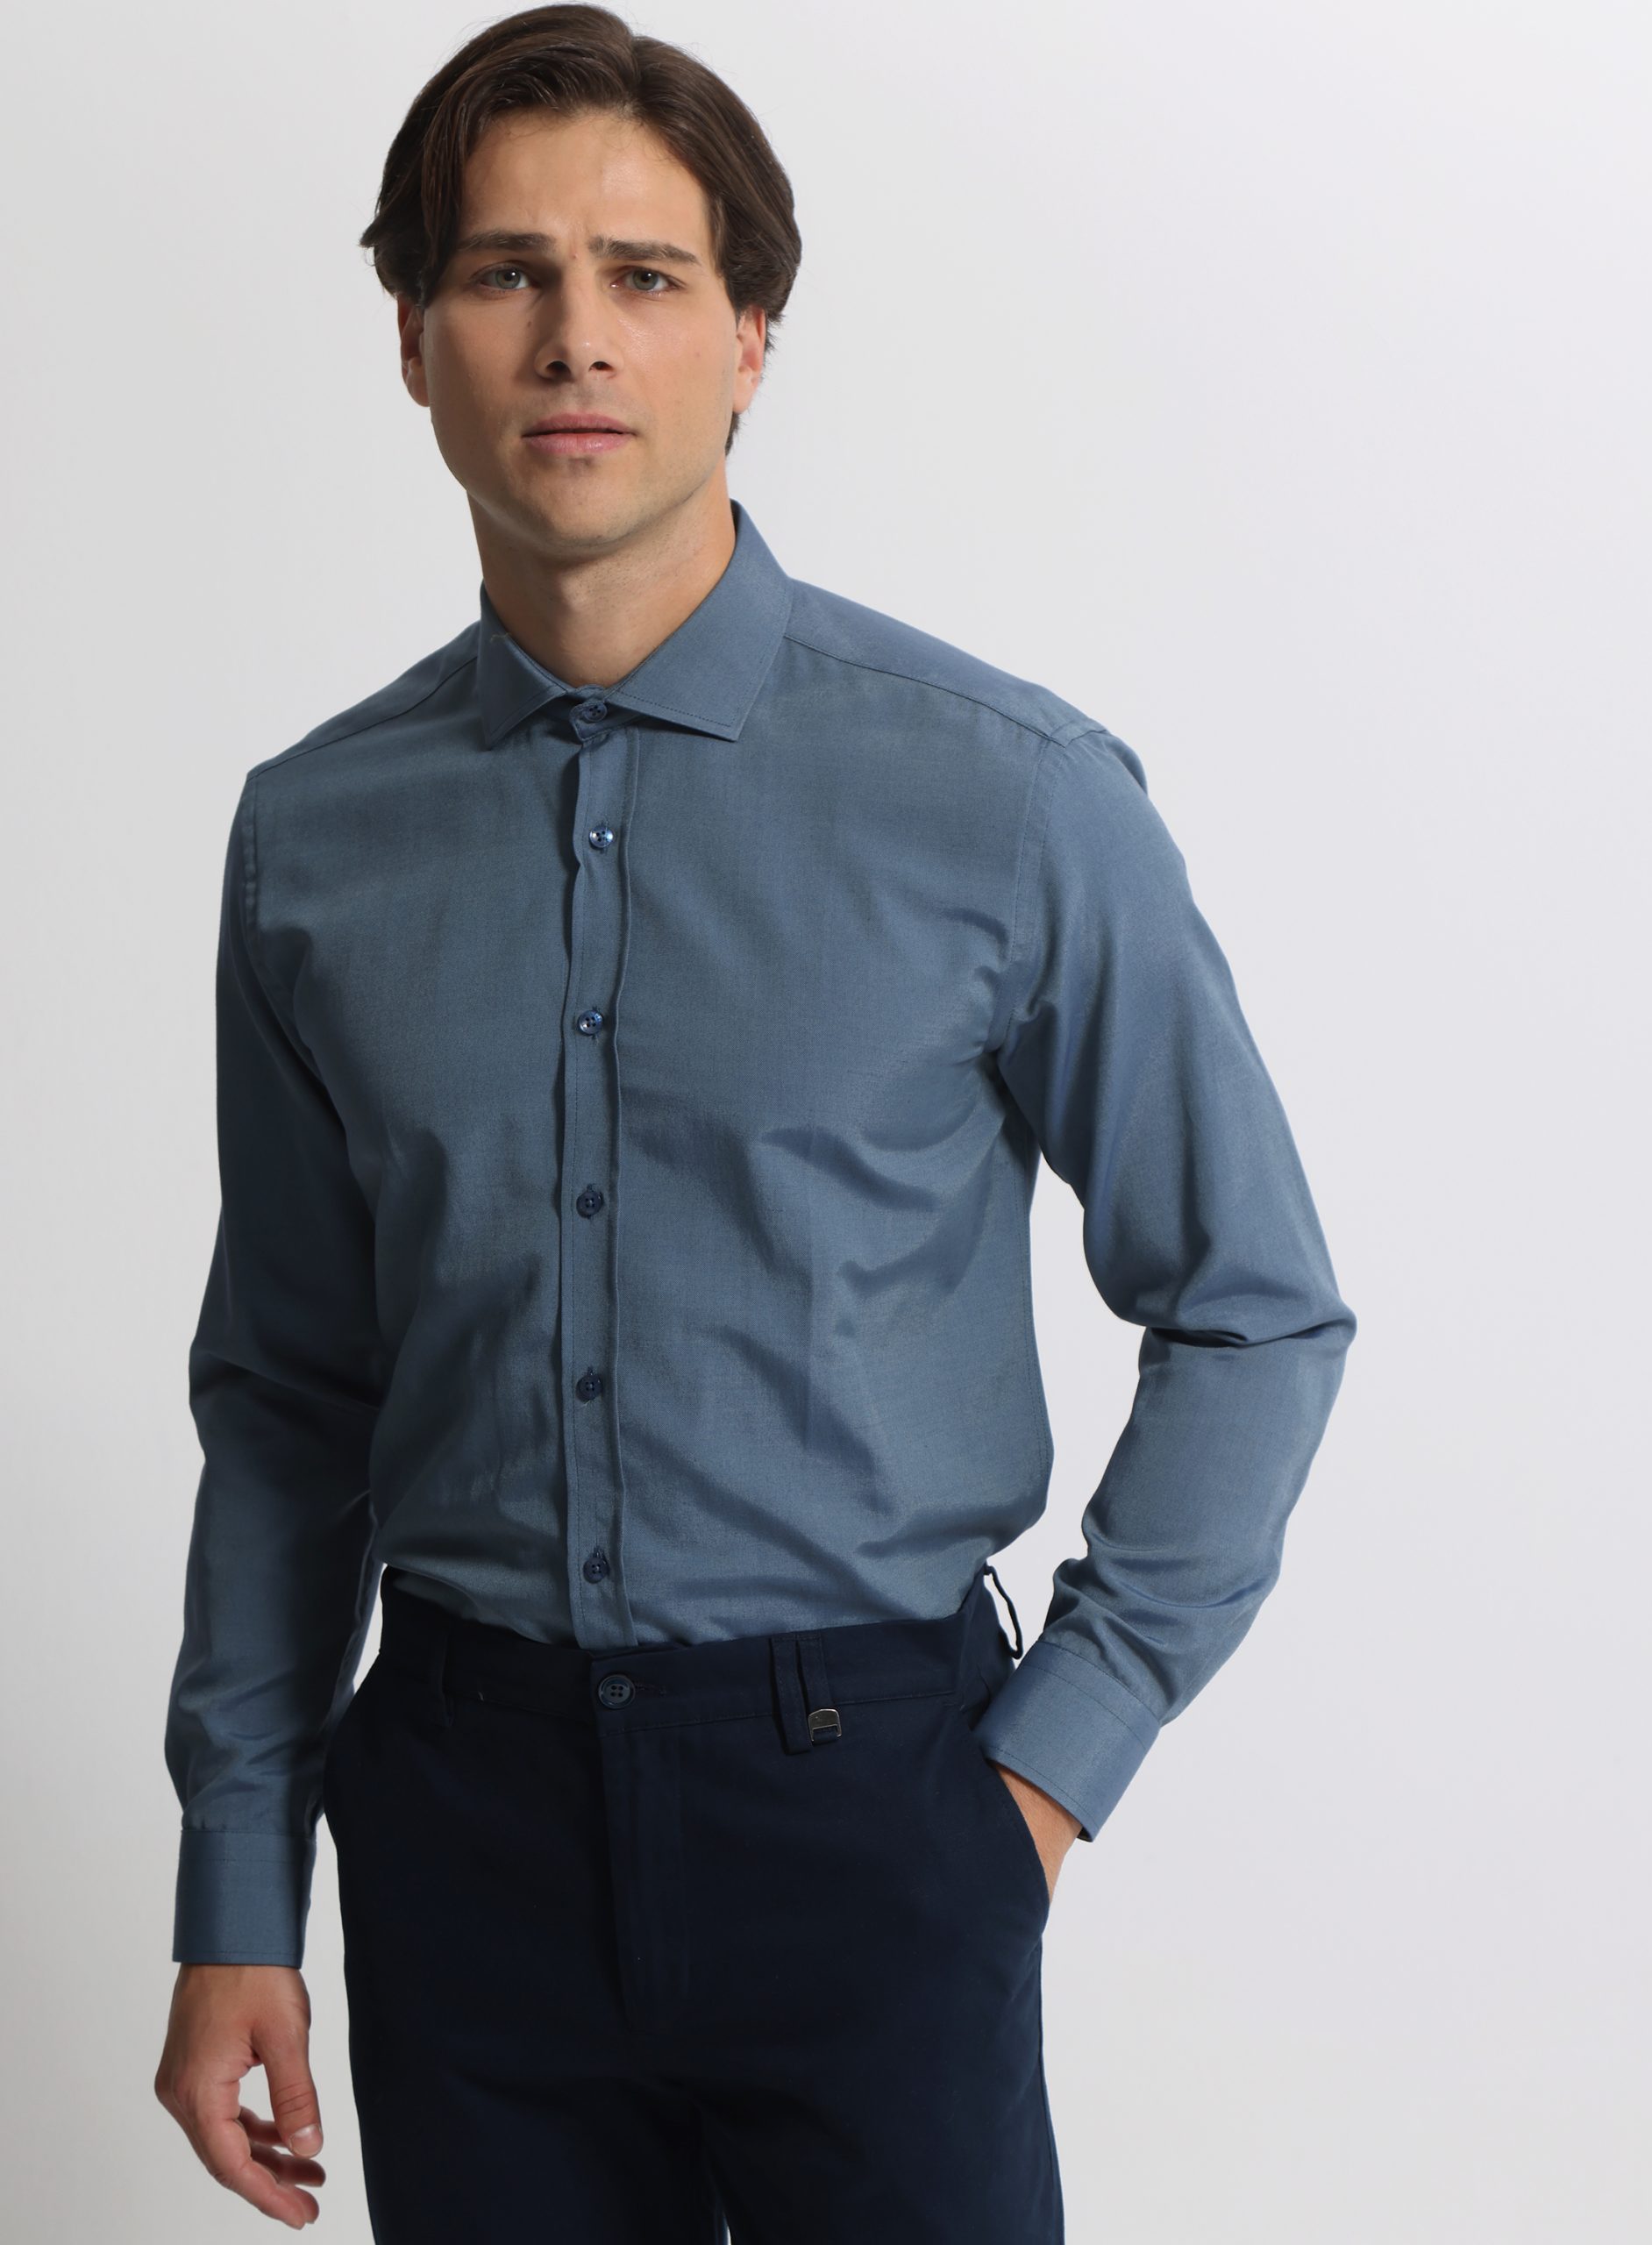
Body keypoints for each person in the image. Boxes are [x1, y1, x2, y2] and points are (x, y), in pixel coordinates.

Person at [153, 6, 1356, 2236]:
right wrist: (239, 1883)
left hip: (880, 1806)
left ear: (749, 341)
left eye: (646, 275)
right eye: (507, 273)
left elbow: (1256, 1304)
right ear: (414, 341)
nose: (576, 338)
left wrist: (1044, 1773)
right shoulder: (310, 841)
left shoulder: (1010, 799)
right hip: (465, 1828)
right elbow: (294, 1396)